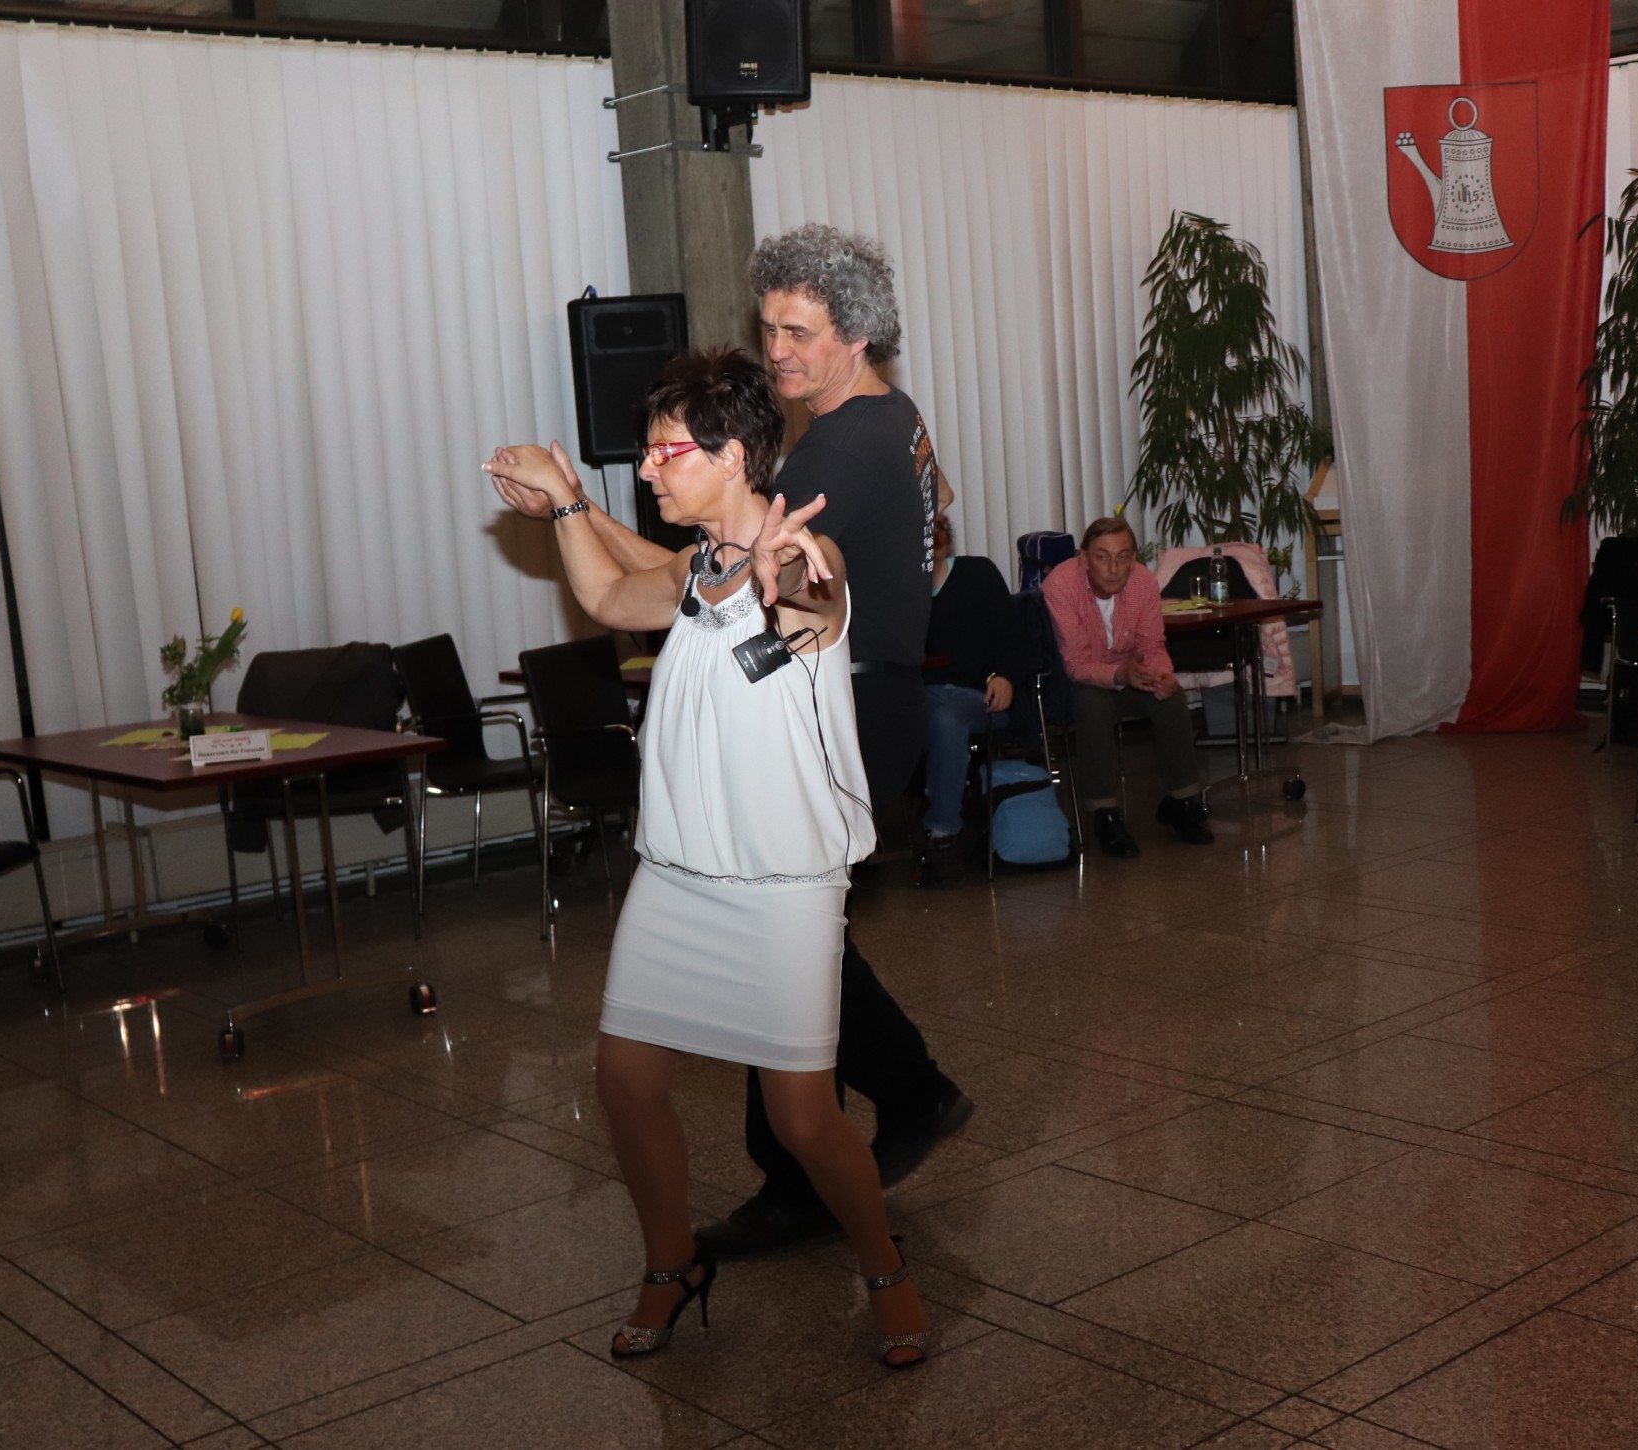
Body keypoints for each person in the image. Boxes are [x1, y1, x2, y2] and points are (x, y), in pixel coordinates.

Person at [488, 223, 971, 1260]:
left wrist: (589, 512)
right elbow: (689, 573)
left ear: (857, 335)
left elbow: (771, 573)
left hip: (839, 692)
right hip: (865, 679)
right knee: (804, 939)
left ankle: (832, 1153)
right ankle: (894, 1102)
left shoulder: (833, 451)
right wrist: (576, 512)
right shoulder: (891, 416)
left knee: (788, 929)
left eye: (799, 332)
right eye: (769, 328)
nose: (777, 351)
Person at [1041, 517, 1213, 857]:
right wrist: (1121, 675)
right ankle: (1103, 813)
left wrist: (1160, 675)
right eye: (1102, 557)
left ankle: (1183, 801)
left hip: (1128, 675)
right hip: (1075, 684)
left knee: (1170, 697)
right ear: (1084, 558)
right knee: (1093, 703)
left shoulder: (1143, 582)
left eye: (1123, 557)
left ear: (1134, 558)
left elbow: (1152, 646)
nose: (1114, 568)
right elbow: (1075, 664)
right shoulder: (1060, 585)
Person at [919, 512, 1027, 885]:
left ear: (947, 538)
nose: (931, 539)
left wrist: (1006, 676)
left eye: (937, 530)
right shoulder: (900, 592)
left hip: (981, 697)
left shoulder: (978, 573)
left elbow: (1016, 640)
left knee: (946, 718)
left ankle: (942, 832)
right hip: (921, 696)